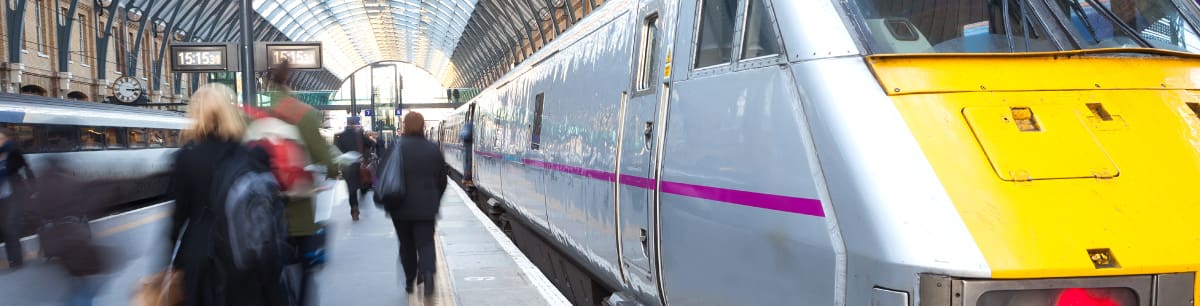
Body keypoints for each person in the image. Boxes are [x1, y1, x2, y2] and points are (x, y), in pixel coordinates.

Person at [167, 84, 289, 305]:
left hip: (199, 255)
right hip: (243, 253)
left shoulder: (185, 158)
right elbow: (272, 204)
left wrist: (167, 265)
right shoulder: (252, 154)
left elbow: (178, 219)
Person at [264, 61, 338, 306]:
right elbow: (324, 158)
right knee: (305, 272)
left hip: (262, 210)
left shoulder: (251, 111)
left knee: (269, 274)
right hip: (298, 211)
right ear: (290, 82)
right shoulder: (303, 113)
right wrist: (335, 168)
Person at [380, 111, 447, 297]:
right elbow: (443, 180)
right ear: (423, 126)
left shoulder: (396, 148)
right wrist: (435, 199)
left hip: (399, 207)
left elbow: (382, 173)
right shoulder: (432, 149)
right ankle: (427, 274)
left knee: (406, 244)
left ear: (404, 126)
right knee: (426, 243)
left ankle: (410, 281)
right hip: (426, 209)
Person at [0, 127, 32, 269]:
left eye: (0, 137)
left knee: (9, 227)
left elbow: (25, 168)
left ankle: (15, 259)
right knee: (5, 228)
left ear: (6, 138)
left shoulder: (13, 151)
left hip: (12, 194)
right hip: (2, 195)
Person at [335, 123, 373, 221]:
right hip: (359, 164)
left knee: (352, 189)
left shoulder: (340, 136)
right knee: (361, 182)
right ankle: (363, 193)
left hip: (347, 166)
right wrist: (365, 156)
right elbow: (371, 143)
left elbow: (336, 152)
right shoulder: (359, 135)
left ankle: (354, 209)